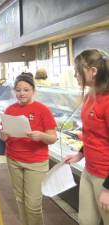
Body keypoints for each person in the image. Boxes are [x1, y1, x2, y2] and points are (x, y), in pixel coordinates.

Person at [0, 73, 57, 225]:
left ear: (33, 91)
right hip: (13, 159)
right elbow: (4, 134)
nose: (21, 93)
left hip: (36, 163)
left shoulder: (43, 110)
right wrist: (2, 135)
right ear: (14, 91)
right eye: (18, 90)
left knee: (32, 205)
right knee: (20, 200)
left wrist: (41, 136)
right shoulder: (10, 109)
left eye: (26, 90)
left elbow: (53, 138)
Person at [64, 49, 109, 225]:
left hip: (105, 175)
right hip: (89, 170)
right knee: (85, 220)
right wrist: (80, 154)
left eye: (78, 71)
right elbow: (93, 134)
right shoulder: (91, 95)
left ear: (93, 71)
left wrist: (107, 188)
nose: (75, 75)